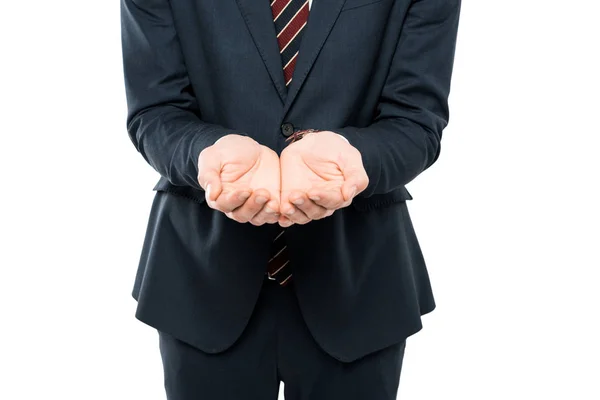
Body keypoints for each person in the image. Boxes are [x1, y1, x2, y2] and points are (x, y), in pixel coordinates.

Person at [120, 0, 461, 398]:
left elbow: (417, 120)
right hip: (203, 282)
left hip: (359, 282)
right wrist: (207, 151)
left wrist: (354, 157)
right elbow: (155, 111)